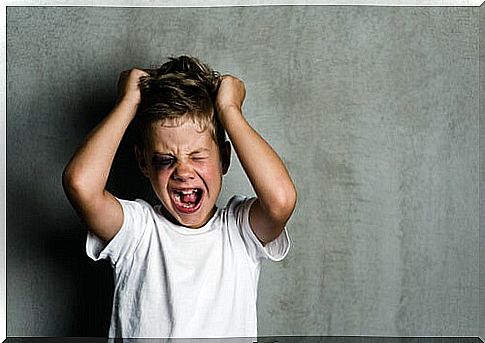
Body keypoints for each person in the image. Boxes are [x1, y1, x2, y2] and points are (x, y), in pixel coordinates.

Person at [62, 55, 297, 339]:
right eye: (164, 160)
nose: (183, 171)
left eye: (197, 156)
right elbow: (80, 185)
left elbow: (280, 199)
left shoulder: (238, 232)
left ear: (224, 157)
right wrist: (128, 103)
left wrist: (229, 109)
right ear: (144, 163)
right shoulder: (138, 232)